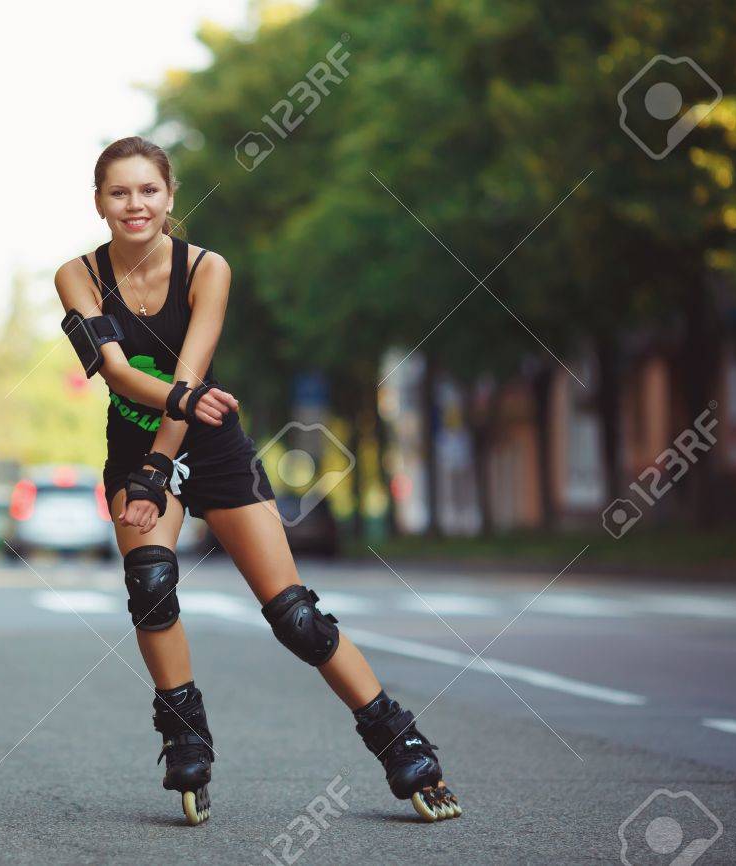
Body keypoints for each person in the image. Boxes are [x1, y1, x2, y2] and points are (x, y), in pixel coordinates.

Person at [53, 135, 461, 826]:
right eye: (119, 192)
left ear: (170, 197)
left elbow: (188, 372)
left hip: (211, 448)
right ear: (98, 202)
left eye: (148, 190)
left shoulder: (208, 268)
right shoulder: (77, 275)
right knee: (150, 584)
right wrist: (156, 448)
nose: (135, 204)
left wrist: (165, 459)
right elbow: (120, 374)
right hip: (133, 443)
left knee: (294, 616)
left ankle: (400, 739)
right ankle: (185, 735)